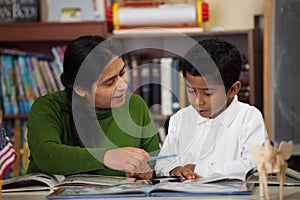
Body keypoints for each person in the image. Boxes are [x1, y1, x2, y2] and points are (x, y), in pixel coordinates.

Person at [26, 35, 160, 180]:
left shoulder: (135, 105)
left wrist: (147, 170)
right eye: (109, 82)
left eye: (122, 72)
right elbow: (45, 155)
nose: (123, 85)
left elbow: (154, 162)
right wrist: (107, 157)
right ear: (80, 89)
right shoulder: (47, 107)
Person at [155, 38, 267, 180]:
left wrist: (199, 169)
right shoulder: (180, 119)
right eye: (190, 90)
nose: (198, 101)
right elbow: (162, 163)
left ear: (233, 89)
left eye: (208, 93)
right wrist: (173, 169)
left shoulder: (249, 118)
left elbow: (254, 165)